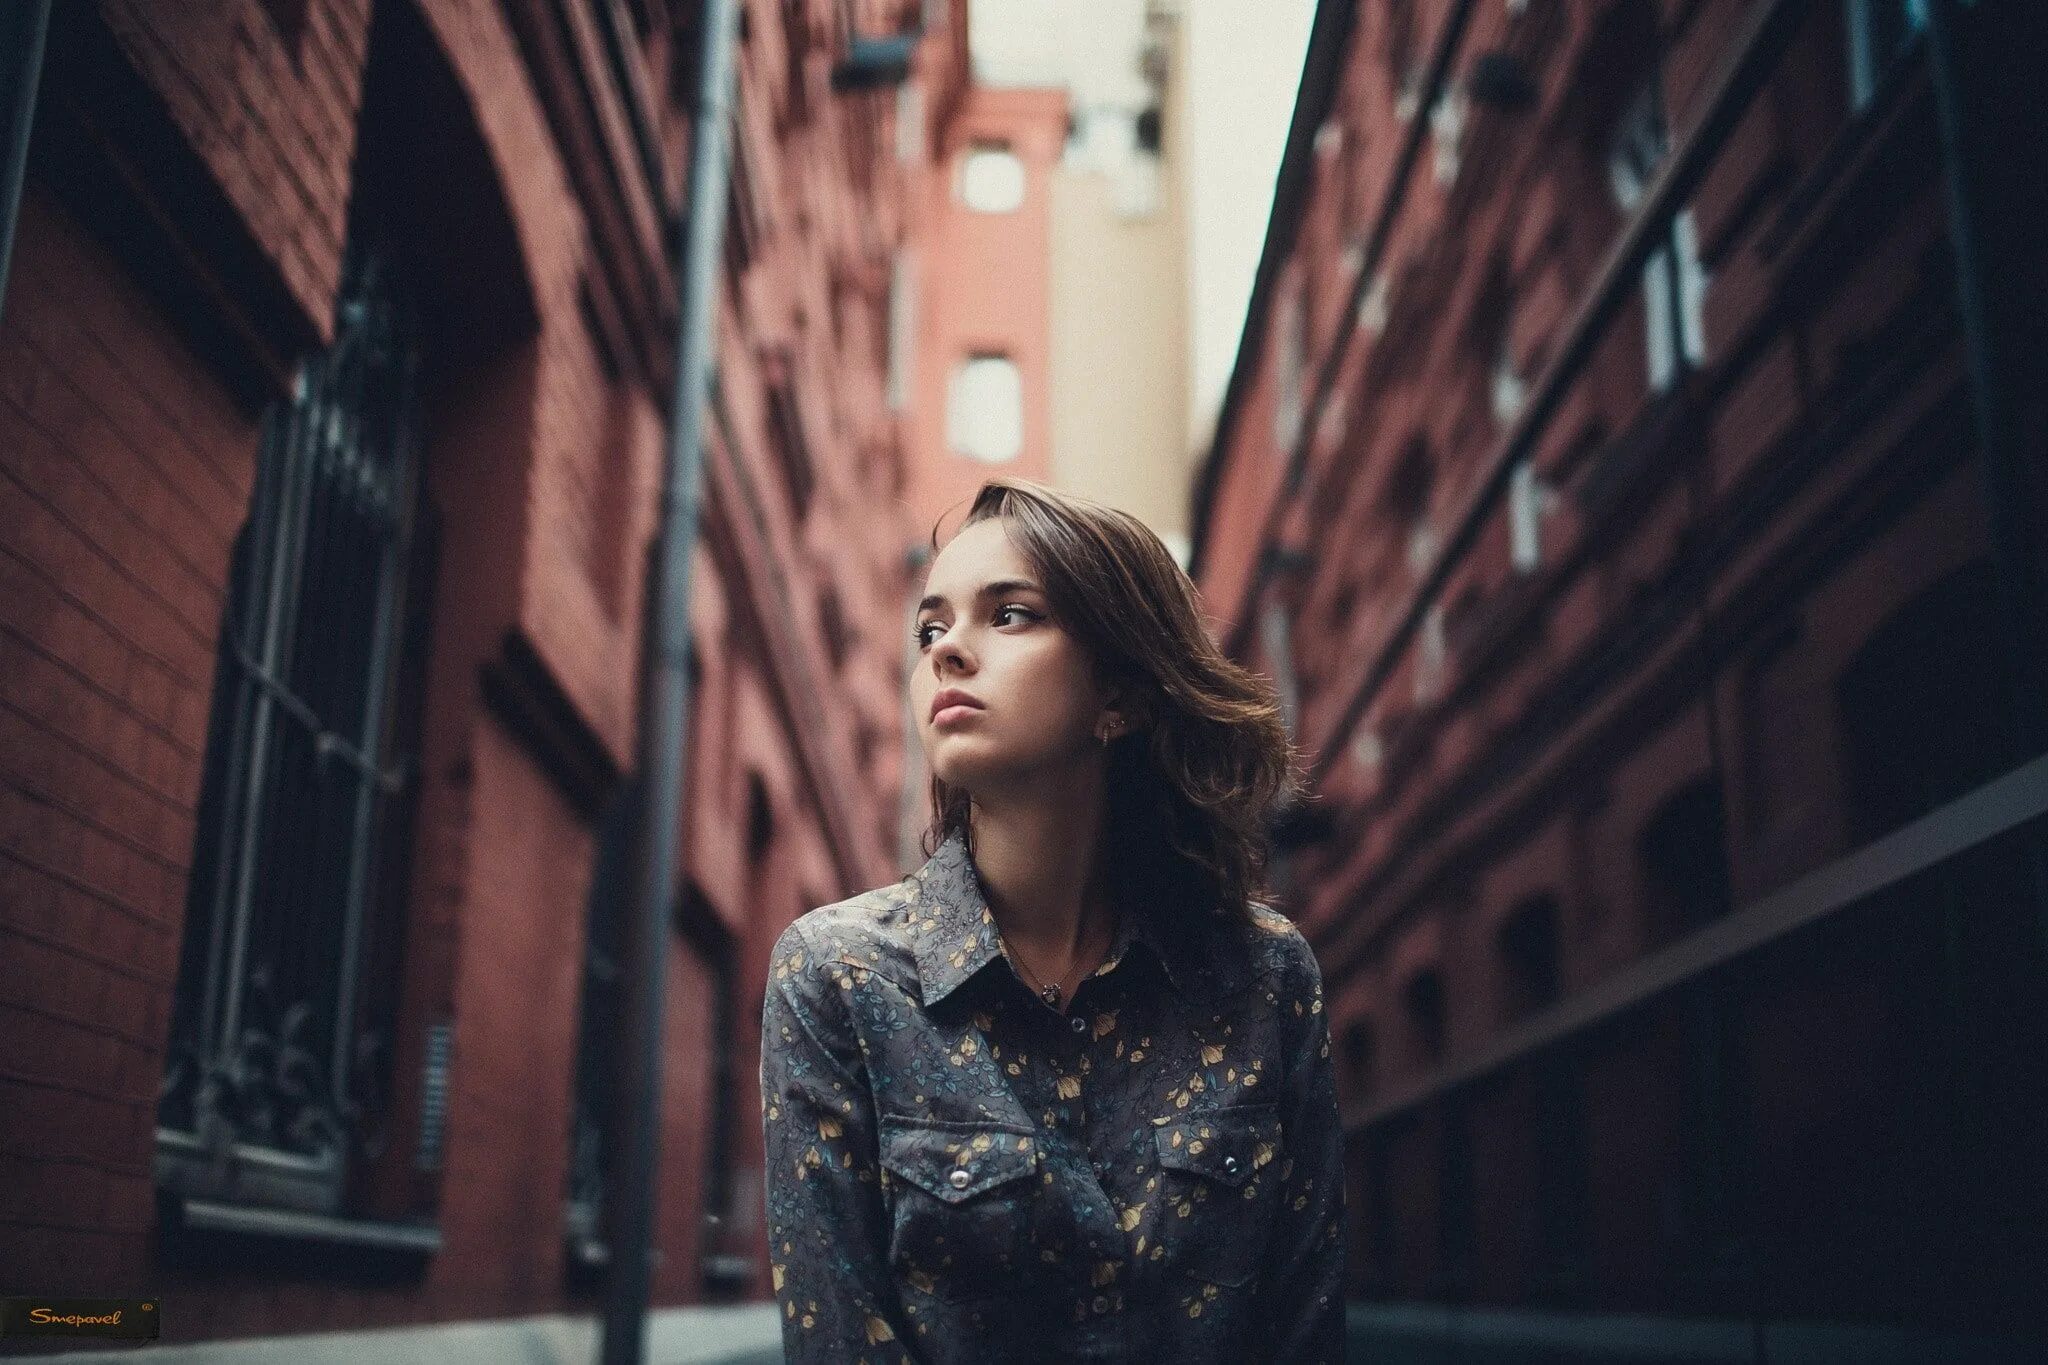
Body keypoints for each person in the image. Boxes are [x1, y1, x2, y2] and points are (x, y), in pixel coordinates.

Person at [759, 477, 1345, 1363]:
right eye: (930, 627)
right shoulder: (841, 976)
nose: (948, 650)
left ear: (1122, 696)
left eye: (1010, 615)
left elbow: (1303, 1329)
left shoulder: (1263, 979)